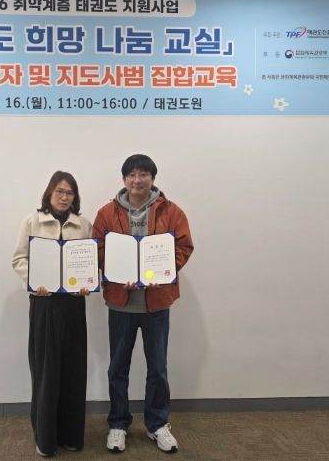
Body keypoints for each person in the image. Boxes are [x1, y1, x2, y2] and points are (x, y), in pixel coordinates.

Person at [92, 154, 194, 454]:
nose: (138, 180)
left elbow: (184, 246)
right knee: (117, 367)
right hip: (120, 303)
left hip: (157, 303)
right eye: (132, 175)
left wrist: (163, 272)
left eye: (144, 174)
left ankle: (157, 424)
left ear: (152, 178)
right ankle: (118, 424)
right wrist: (115, 272)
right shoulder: (107, 212)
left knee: (158, 368)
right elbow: (98, 248)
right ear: (124, 179)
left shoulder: (171, 211)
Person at [12, 171, 93, 457]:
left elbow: (90, 262)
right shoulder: (32, 221)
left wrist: (87, 283)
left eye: (69, 192)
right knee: (46, 371)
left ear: (75, 197)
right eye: (59, 191)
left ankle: (71, 435)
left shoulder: (83, 225)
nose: (64, 197)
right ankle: (45, 438)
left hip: (73, 306)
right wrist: (34, 280)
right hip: (44, 304)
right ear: (49, 193)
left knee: (73, 371)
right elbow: (19, 259)